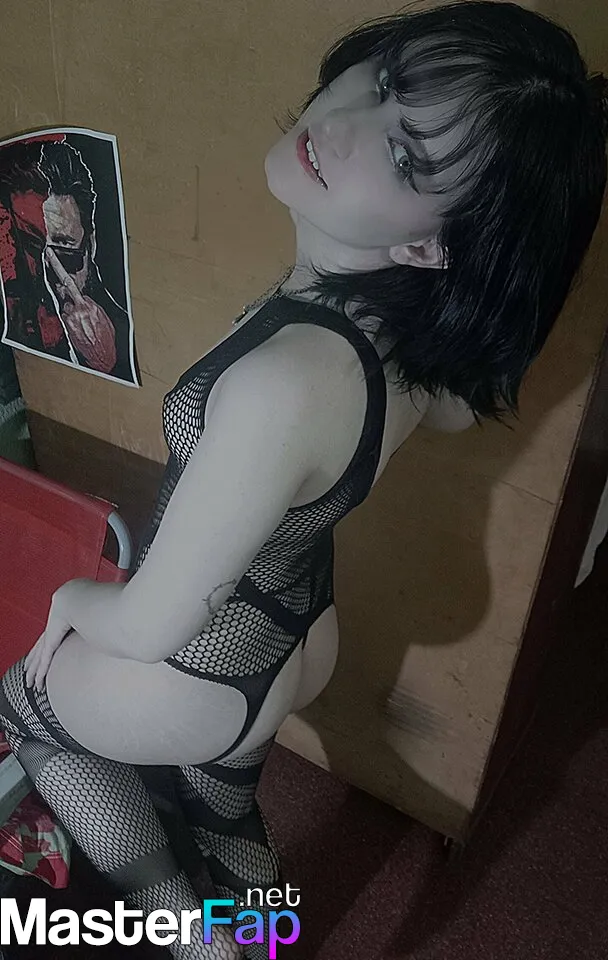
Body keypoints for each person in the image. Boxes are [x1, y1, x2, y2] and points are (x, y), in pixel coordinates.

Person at [0, 2, 606, 957]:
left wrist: (66, 605)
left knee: (25, 714)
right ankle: (264, 942)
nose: (342, 122)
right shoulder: (403, 333)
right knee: (226, 807)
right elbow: (450, 408)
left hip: (197, 667)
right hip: (297, 631)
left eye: (405, 158)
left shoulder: (283, 384)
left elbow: (151, 625)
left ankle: (199, 942)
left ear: (429, 245)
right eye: (385, 81)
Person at [37, 140, 136, 382]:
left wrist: (108, 362)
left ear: (90, 245)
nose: (51, 267)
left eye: (64, 249)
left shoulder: (123, 334)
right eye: (35, 247)